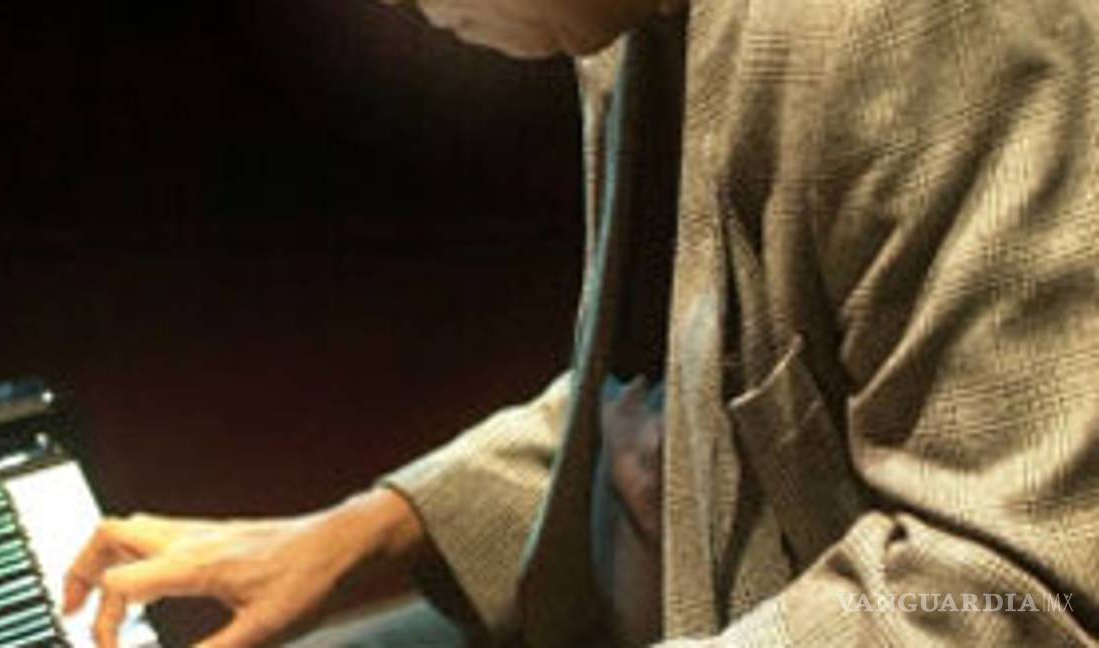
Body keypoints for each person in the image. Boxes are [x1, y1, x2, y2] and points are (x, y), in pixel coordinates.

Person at [64, 0, 1099, 645]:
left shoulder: (932, 25)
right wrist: (359, 533)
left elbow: (1015, 586)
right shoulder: (619, 22)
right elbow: (698, 402)